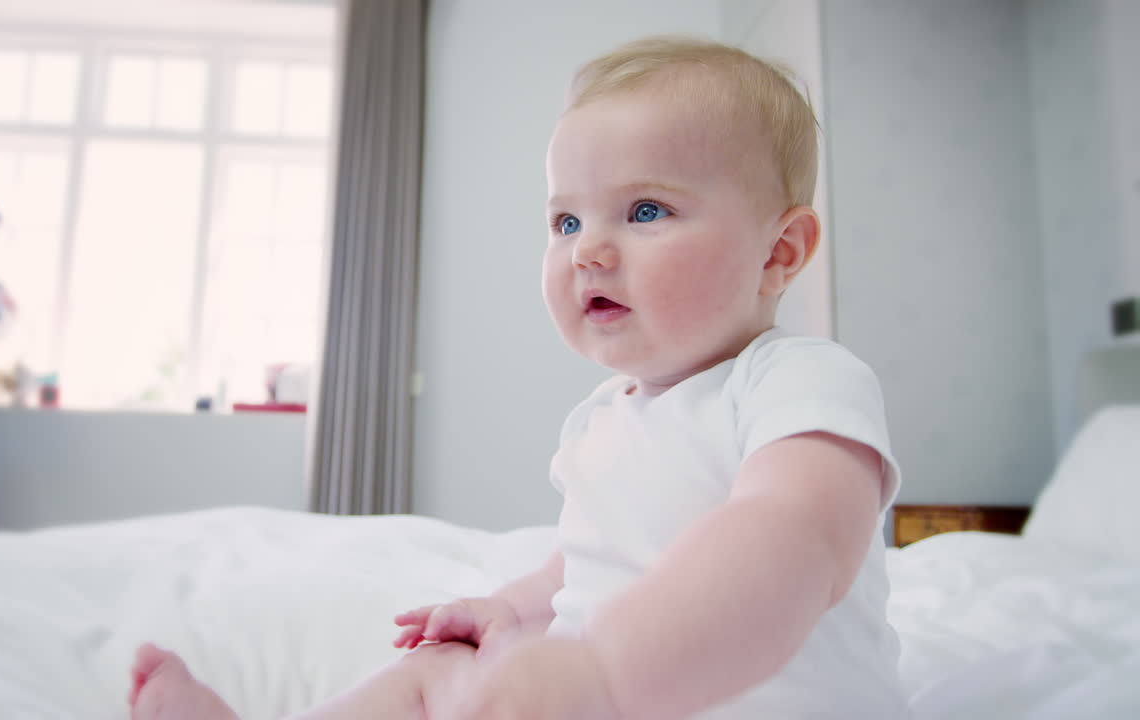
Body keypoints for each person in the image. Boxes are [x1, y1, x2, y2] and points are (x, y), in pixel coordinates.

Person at [128, 35, 908, 720]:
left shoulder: (796, 381)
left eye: (644, 211)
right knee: (440, 674)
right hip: (589, 699)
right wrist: (506, 610)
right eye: (566, 221)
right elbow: (584, 562)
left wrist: (605, 672)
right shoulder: (603, 421)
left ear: (779, 252)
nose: (587, 251)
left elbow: (797, 537)